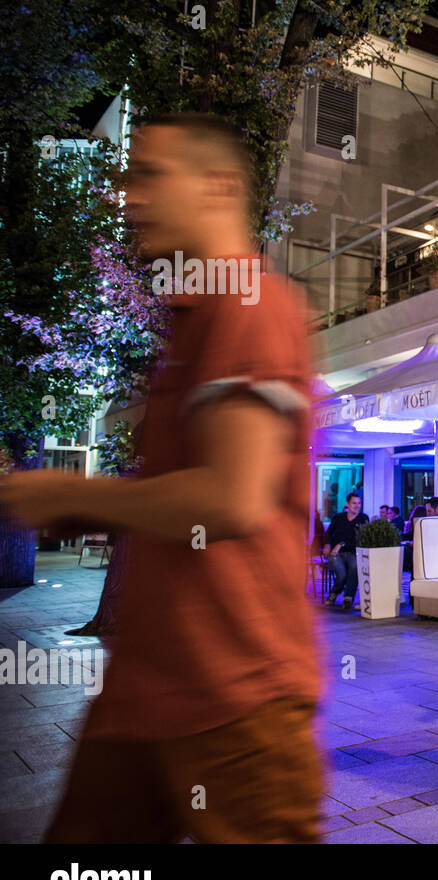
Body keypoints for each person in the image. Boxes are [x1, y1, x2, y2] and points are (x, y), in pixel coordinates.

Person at [0, 112, 323, 841]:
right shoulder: (195, 319)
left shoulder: (251, 303)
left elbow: (230, 497)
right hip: (145, 696)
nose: (129, 197)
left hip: (236, 698)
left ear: (219, 186)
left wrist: (72, 493)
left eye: (148, 175)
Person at [325, 493, 369, 609]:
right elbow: (328, 533)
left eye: (359, 503)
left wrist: (341, 544)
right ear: (347, 504)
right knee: (342, 573)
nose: (357, 506)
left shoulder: (363, 519)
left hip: (353, 552)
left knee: (354, 567)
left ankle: (348, 598)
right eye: (354, 503)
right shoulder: (338, 518)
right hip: (336, 554)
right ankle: (334, 593)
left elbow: (361, 539)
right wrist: (327, 545)